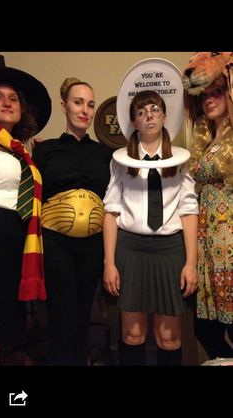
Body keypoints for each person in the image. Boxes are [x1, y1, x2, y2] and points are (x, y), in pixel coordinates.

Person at [103, 90, 199, 366]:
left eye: (155, 109)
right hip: (130, 250)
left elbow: (189, 212)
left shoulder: (180, 162)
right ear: (134, 121)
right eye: (142, 112)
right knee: (132, 334)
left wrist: (190, 263)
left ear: (165, 116)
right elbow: (110, 212)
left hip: (170, 251)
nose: (149, 115)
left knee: (168, 336)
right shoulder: (120, 162)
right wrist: (109, 262)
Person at [32, 77, 113, 365]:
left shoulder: (105, 153)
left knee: (82, 316)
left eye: (90, 105)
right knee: (61, 315)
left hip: (93, 244)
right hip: (56, 242)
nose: (85, 110)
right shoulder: (44, 149)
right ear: (65, 106)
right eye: (78, 103)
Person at [0, 55, 51, 365]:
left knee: (8, 317)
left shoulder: (22, 152)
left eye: (13, 98)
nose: (6, 103)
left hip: (15, 237)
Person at [182, 52, 233, 359]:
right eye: (205, 95)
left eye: (218, 91)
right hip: (206, 246)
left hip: (229, 245)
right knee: (205, 326)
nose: (209, 99)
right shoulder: (207, 139)